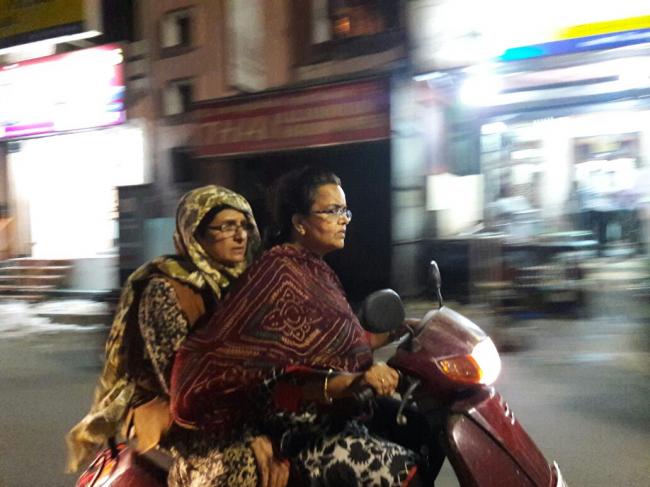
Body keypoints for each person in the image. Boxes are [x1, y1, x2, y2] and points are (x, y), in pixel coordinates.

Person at [171, 167, 421, 486]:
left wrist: (401, 330)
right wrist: (357, 379)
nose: (343, 219)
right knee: (402, 472)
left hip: (337, 409)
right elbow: (287, 374)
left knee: (417, 427)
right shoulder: (279, 274)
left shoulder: (316, 270)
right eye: (332, 211)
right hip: (297, 429)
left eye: (345, 211)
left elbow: (336, 343)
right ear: (299, 222)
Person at [66, 185, 288, 486]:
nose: (240, 236)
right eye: (225, 227)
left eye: (244, 225)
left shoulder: (250, 285)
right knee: (240, 465)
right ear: (196, 234)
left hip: (238, 411)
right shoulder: (166, 289)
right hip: (171, 415)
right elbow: (181, 385)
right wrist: (248, 434)